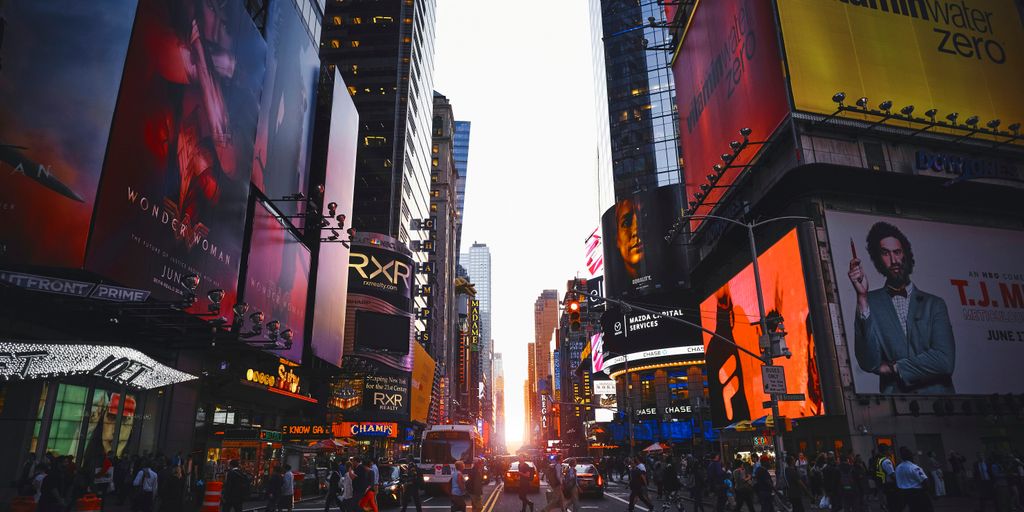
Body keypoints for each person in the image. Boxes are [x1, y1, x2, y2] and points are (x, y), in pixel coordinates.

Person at [849, 221, 956, 394]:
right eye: (885, 253)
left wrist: (895, 368)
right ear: (878, 259)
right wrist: (862, 297)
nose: (893, 260)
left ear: (906, 254)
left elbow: (944, 361)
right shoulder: (870, 302)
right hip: (897, 408)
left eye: (897, 252)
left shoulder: (934, 304)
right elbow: (869, 363)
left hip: (941, 407)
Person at [896, 447, 932, 512]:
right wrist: (927, 491)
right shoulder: (914, 467)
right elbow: (925, 481)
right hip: (917, 493)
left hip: (903, 493)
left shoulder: (898, 468)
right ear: (911, 457)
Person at [877, 445, 900, 512]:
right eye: (890, 450)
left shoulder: (880, 460)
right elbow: (892, 474)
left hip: (885, 483)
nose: (891, 451)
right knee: (894, 504)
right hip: (891, 484)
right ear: (886, 451)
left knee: (890, 502)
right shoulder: (887, 461)